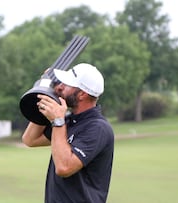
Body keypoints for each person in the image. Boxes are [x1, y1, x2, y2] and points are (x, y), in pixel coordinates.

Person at [22, 63, 114, 203]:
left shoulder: (98, 128)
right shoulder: (69, 121)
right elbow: (30, 139)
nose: (59, 87)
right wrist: (47, 93)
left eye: (67, 84)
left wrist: (58, 120)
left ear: (82, 94)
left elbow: (64, 168)